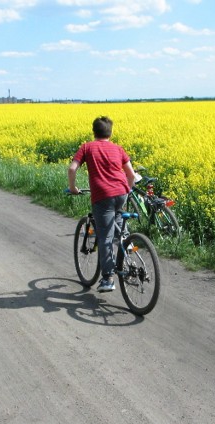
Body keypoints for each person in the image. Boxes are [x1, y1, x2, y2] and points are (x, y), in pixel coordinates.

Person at [68, 116, 136, 292]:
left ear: (93, 132)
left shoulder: (87, 147)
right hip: (121, 192)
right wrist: (127, 190)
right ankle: (127, 245)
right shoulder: (118, 148)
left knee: (105, 237)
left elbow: (72, 168)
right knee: (118, 221)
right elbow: (131, 174)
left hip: (102, 195)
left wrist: (73, 187)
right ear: (110, 132)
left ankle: (108, 279)